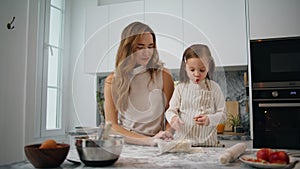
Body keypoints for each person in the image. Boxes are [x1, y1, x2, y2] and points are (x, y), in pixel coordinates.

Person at [104, 21, 174, 146]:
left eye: (150, 46)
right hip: (127, 144)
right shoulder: (112, 81)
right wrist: (147, 141)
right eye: (140, 47)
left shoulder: (164, 75)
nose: (146, 52)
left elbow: (171, 113)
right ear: (127, 48)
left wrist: (167, 133)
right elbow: (112, 126)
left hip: (157, 142)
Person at [165, 44, 226, 147]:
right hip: (183, 145)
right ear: (185, 67)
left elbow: (223, 115)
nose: (197, 74)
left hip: (208, 145)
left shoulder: (214, 88)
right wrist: (173, 118)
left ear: (209, 67)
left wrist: (209, 119)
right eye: (192, 70)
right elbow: (171, 110)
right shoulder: (180, 88)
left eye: (202, 70)